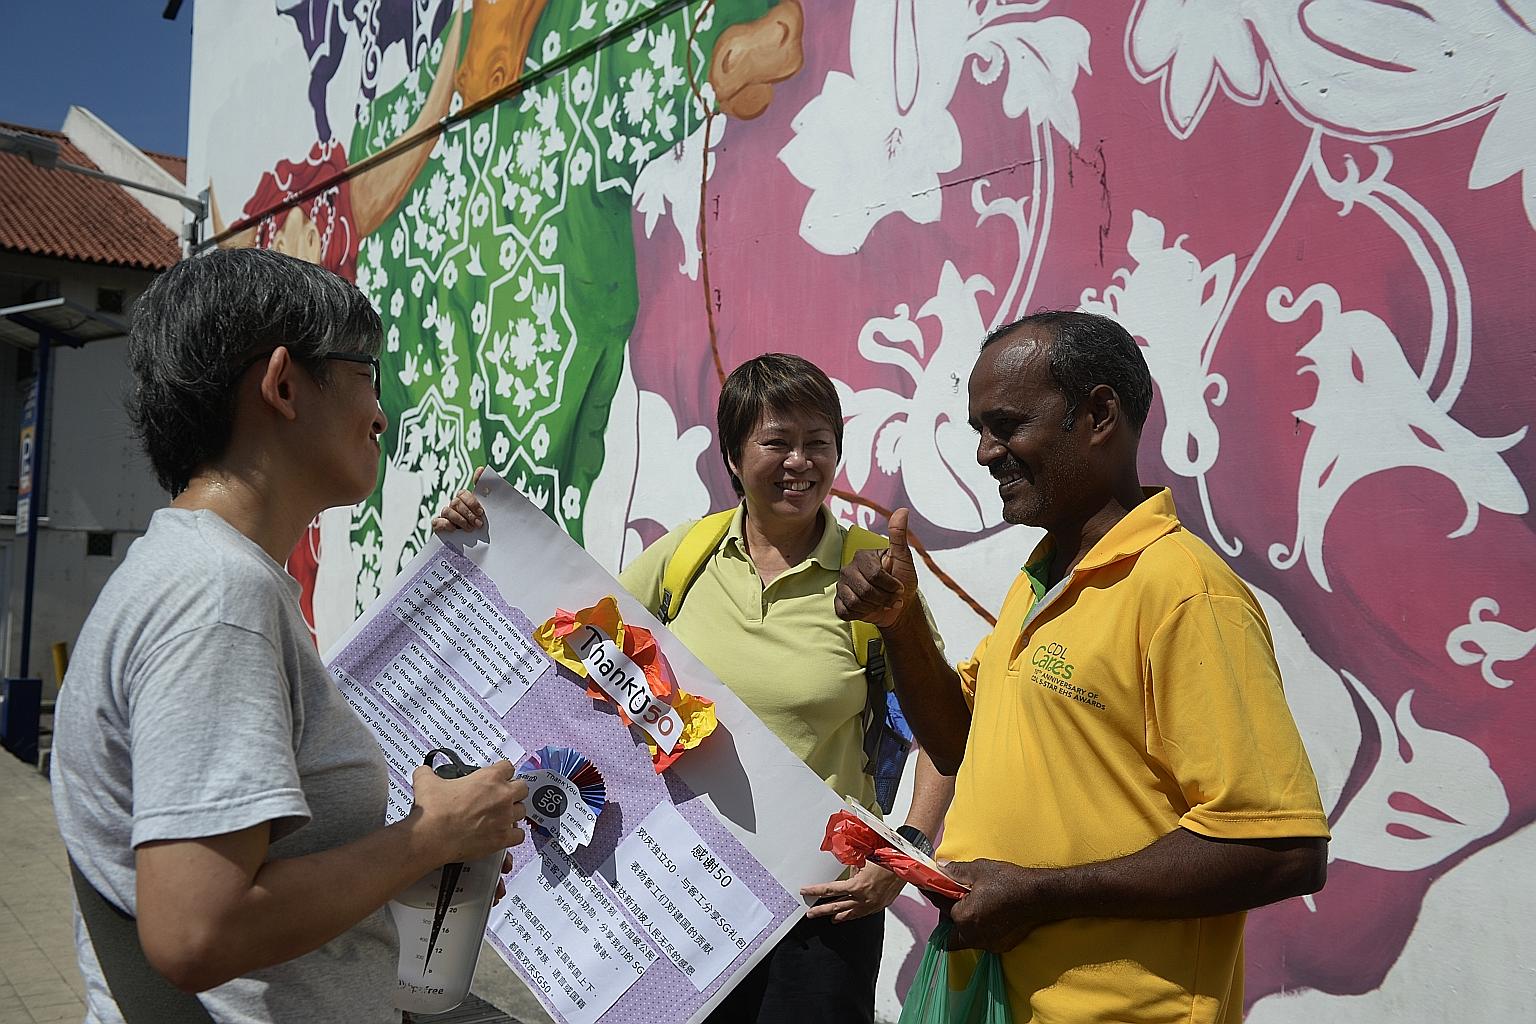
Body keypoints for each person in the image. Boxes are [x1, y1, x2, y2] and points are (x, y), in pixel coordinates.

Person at [51, 248, 529, 1024]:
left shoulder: (204, 576)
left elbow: (258, 875)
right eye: (367, 375)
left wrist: (406, 866)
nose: (380, 413)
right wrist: (424, 839)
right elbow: (198, 931)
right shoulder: (217, 598)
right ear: (281, 384)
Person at [835, 311, 1330, 1023]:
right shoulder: (1038, 582)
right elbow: (959, 747)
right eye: (978, 428)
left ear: (1098, 413)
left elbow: (1281, 846)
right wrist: (900, 622)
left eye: (1004, 425)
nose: (983, 452)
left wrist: (1041, 893)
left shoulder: (1185, 591)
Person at [435, 353, 954, 1024]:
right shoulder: (686, 557)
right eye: (777, 442)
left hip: (821, 904)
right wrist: (479, 543)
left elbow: (939, 733)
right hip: (684, 894)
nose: (799, 461)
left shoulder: (873, 575)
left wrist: (902, 853)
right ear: (735, 457)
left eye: (817, 443)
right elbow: (564, 634)